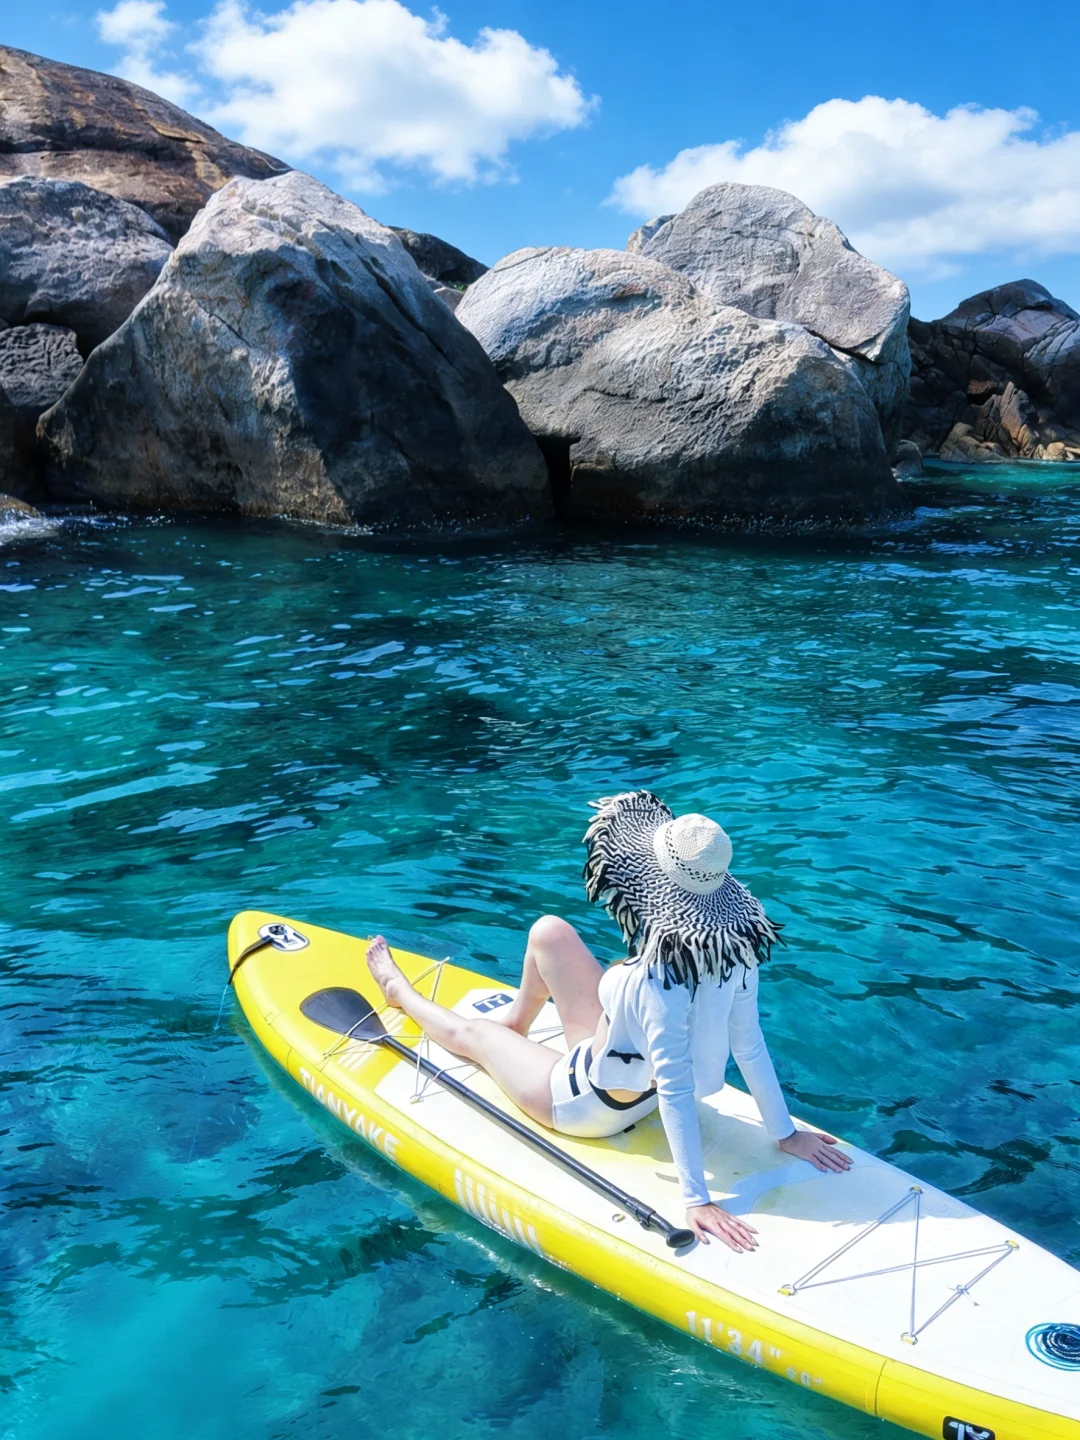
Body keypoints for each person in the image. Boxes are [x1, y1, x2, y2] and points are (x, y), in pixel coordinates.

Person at [366, 789, 851, 1251]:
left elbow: (677, 1086)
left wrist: (696, 1199)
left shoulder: (656, 982)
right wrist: (785, 1133)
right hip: (616, 1064)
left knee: (471, 1034)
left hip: (586, 1103)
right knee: (549, 932)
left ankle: (399, 992)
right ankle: (517, 1022)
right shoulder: (735, 953)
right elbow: (749, 1045)